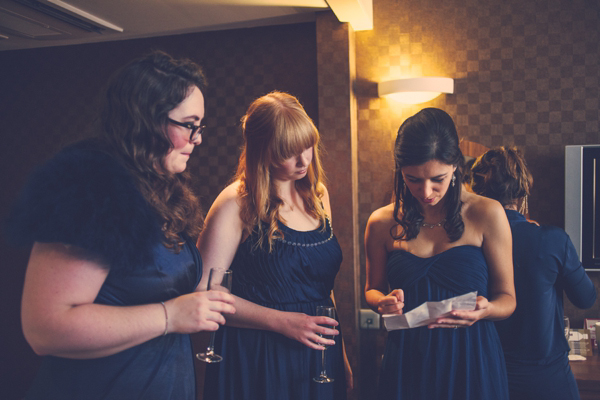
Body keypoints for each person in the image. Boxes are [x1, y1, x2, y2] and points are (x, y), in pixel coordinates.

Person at [4, 51, 236, 400]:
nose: (198, 138)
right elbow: (45, 329)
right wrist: (170, 316)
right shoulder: (89, 190)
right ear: (147, 120)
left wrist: (196, 302)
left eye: (199, 127)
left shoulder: (162, 190)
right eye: (189, 125)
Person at [198, 91, 351, 400]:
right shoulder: (235, 203)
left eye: (307, 145)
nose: (304, 160)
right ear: (262, 152)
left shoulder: (318, 195)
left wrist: (343, 356)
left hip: (318, 355)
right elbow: (204, 294)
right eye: (289, 152)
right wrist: (281, 322)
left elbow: (323, 290)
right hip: (256, 356)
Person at [364, 107, 516, 399]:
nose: (426, 191)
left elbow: (508, 299)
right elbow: (372, 289)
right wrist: (382, 302)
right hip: (407, 358)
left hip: (471, 358)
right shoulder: (381, 222)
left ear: (456, 166)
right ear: (400, 171)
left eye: (438, 178)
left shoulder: (487, 213)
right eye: (413, 179)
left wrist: (487, 310)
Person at [470, 146, 597, 400]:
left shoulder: (467, 244)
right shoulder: (552, 240)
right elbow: (586, 298)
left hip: (486, 374)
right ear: (522, 192)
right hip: (547, 380)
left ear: (478, 193)